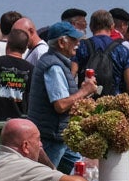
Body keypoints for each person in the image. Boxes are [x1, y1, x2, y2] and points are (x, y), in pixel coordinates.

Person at [26, 22, 98, 169]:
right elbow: (61, 105)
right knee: (45, 180)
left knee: (80, 172)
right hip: (52, 136)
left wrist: (82, 93)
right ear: (61, 42)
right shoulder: (54, 67)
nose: (77, 43)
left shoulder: (54, 62)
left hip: (59, 135)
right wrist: (84, 91)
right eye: (74, 40)